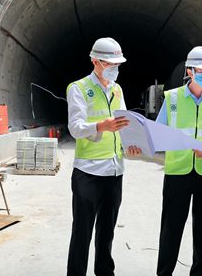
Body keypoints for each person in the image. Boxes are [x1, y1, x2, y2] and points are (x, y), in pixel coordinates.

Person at [66, 37, 141, 276]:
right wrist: (101, 126)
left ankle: (105, 272)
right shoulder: (78, 88)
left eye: (118, 64)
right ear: (95, 61)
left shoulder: (117, 89)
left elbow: (124, 122)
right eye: (111, 64)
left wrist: (132, 143)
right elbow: (75, 127)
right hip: (88, 173)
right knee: (82, 232)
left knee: (107, 232)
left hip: (114, 170)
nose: (115, 69)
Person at [155, 46, 202, 276]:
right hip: (178, 171)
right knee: (171, 229)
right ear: (190, 71)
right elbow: (159, 131)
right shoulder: (172, 98)